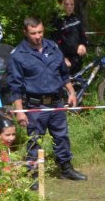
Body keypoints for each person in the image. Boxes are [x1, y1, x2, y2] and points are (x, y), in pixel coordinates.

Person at [7, 17, 86, 183]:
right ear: (25, 32)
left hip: (56, 102)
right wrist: (20, 111)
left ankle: (66, 169)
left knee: (62, 137)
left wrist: (71, 92)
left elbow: (63, 73)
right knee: (34, 141)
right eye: (33, 33)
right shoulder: (18, 55)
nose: (38, 36)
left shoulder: (52, 46)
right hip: (35, 105)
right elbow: (15, 87)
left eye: (40, 32)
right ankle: (33, 175)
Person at [50, 0, 88, 76]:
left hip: (77, 57)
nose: (69, 6)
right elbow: (54, 42)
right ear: (60, 4)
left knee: (77, 81)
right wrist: (62, 58)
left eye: (72, 4)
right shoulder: (57, 21)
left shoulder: (76, 18)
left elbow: (82, 35)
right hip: (65, 60)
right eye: (66, 4)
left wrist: (82, 44)